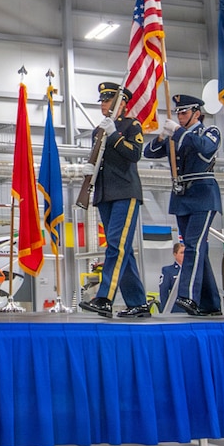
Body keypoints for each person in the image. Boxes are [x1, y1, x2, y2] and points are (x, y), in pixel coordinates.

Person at [143, 92, 222, 315]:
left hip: (203, 194)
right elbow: (148, 153)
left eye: (184, 112)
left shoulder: (209, 131)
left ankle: (188, 297)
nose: (180, 116)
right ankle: (211, 303)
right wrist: (162, 136)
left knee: (193, 246)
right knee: (198, 249)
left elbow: (206, 149)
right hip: (181, 196)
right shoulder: (175, 135)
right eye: (178, 113)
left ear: (197, 113)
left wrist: (179, 132)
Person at [78, 82, 148, 319]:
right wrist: (90, 168)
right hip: (105, 194)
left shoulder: (131, 125)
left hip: (125, 192)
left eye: (108, 101)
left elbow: (134, 154)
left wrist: (115, 134)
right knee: (122, 250)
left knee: (116, 246)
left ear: (121, 103)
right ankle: (138, 303)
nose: (104, 105)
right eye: (103, 101)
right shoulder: (97, 130)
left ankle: (105, 298)